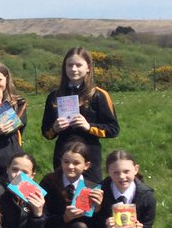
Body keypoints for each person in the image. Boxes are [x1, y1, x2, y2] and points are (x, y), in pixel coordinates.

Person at [40, 46, 119, 183]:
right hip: (62, 156)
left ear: (88, 68)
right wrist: (55, 128)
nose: (73, 69)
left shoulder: (99, 95)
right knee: (61, 193)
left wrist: (89, 127)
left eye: (78, 65)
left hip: (90, 157)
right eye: (69, 65)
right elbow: (46, 132)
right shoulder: (54, 96)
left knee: (89, 193)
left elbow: (113, 129)